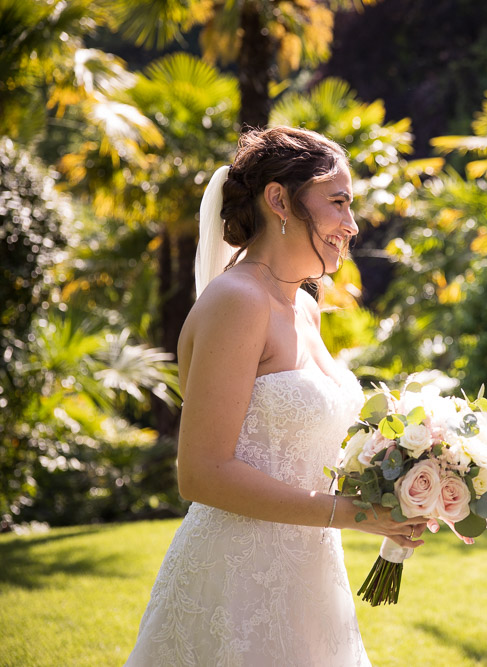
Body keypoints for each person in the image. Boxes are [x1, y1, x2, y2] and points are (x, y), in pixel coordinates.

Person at [126, 126, 427, 666]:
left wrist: (401, 488)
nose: (352, 225)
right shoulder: (237, 300)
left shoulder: (305, 307)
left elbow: (301, 451)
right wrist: (352, 515)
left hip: (310, 577)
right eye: (338, 203)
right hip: (236, 582)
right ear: (279, 200)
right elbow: (201, 473)